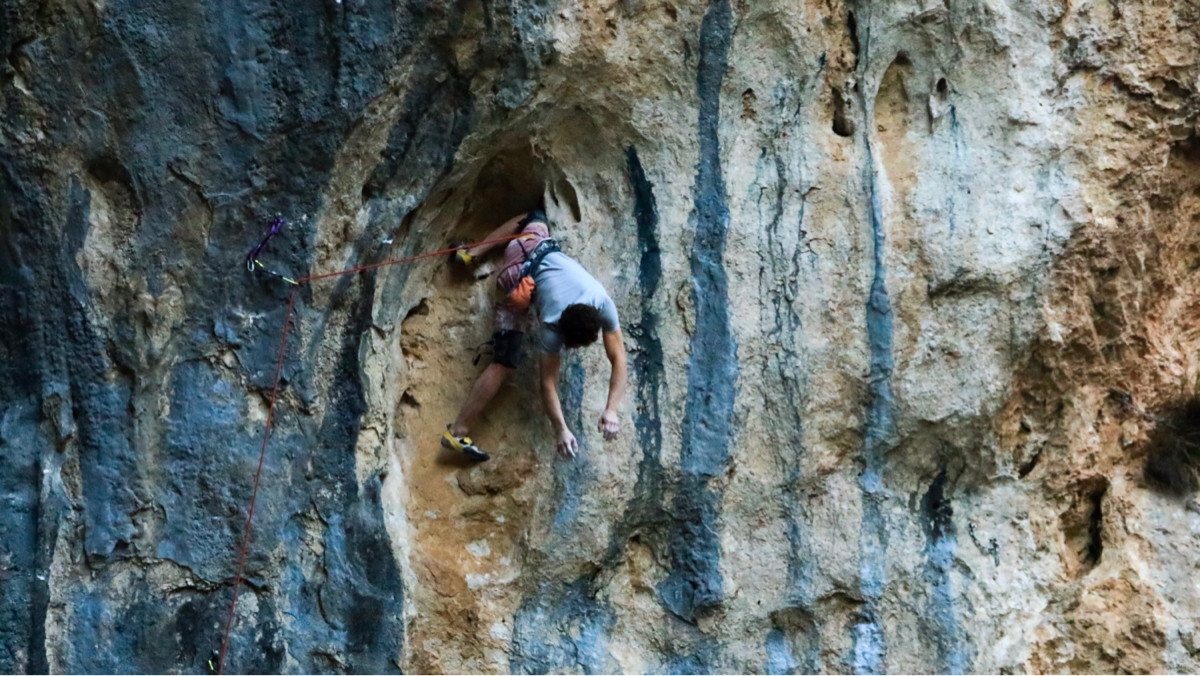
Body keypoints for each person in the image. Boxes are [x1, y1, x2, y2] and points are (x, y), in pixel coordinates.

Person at [441, 209, 627, 461]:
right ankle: (457, 431)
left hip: (527, 256)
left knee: (535, 217)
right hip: (516, 273)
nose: (569, 349)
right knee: (504, 360)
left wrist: (610, 409)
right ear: (560, 331)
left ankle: (470, 253)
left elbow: (615, 361)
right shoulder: (559, 324)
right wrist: (564, 428)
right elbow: (548, 383)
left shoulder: (599, 302)